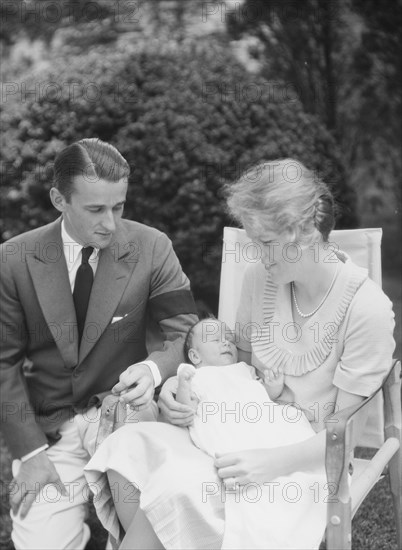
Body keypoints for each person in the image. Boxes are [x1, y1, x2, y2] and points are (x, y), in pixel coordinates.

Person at [85, 158, 395, 549]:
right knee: (125, 448)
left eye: (266, 243)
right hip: (236, 433)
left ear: (305, 232)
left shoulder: (367, 310)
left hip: (308, 463)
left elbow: (343, 438)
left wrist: (269, 463)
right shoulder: (260, 279)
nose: (258, 255)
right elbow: (237, 372)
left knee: (175, 486)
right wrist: (183, 392)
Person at [0, 137, 198, 549]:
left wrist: (153, 368)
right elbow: (3, 362)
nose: (110, 222)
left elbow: (184, 332)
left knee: (153, 535)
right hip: (50, 431)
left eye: (119, 206)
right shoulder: (13, 259)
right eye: (95, 209)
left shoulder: (153, 247)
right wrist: (31, 454)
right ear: (59, 199)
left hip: (127, 418)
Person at [175, 317, 328, 549]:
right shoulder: (195, 376)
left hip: (262, 419)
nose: (226, 343)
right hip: (228, 422)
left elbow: (262, 395)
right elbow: (186, 411)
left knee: (288, 427)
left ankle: (299, 466)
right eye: (216, 340)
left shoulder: (244, 369)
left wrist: (274, 386)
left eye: (229, 339)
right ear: (196, 357)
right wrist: (184, 385)